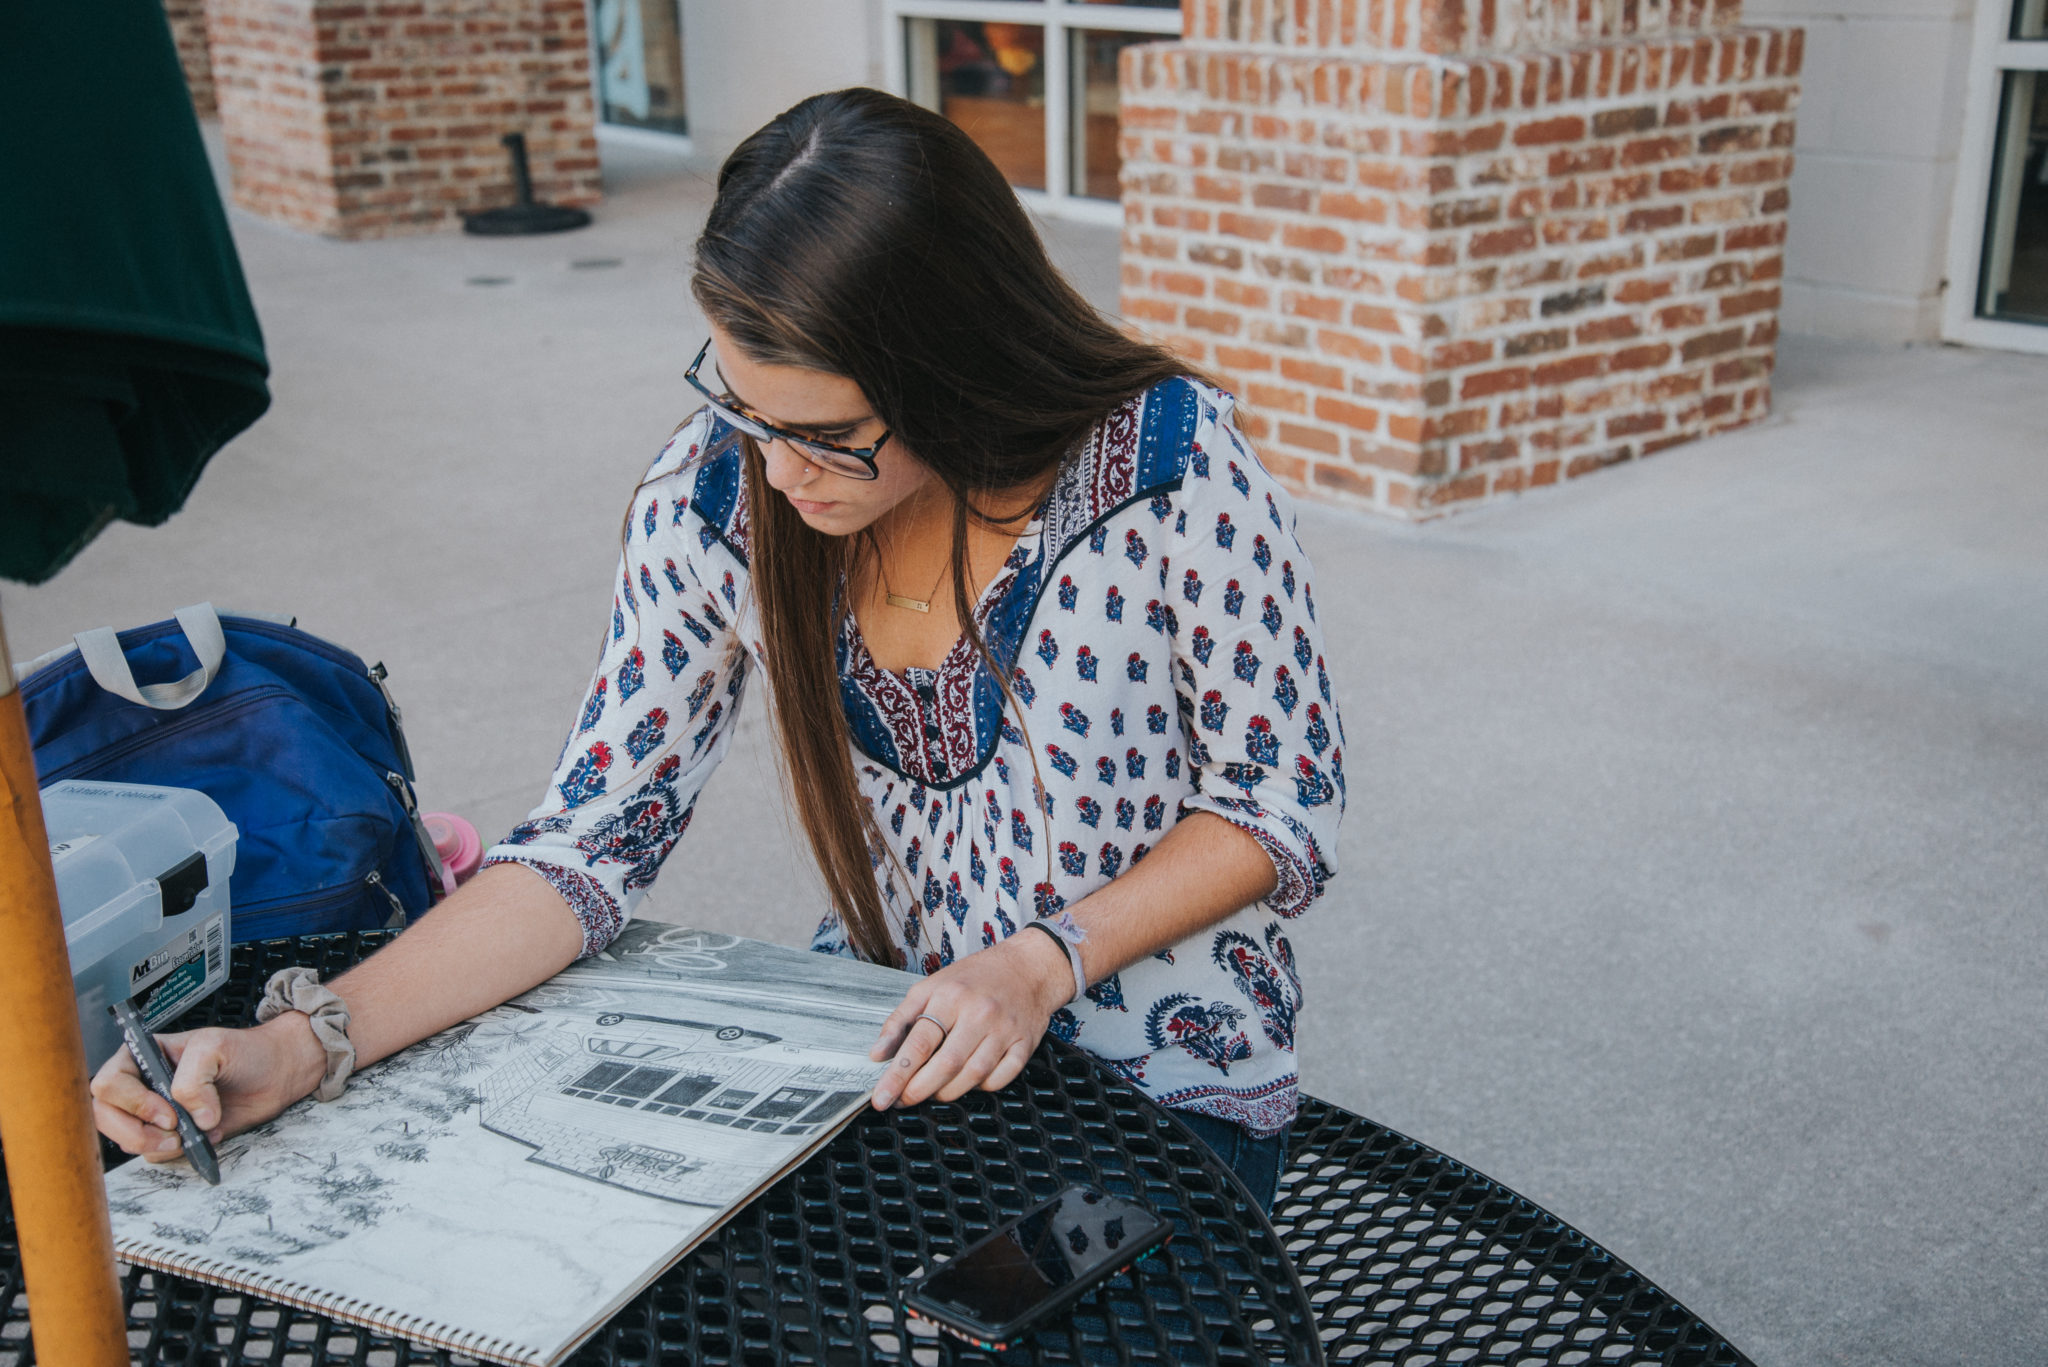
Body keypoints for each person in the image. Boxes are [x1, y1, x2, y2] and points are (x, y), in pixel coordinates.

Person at [91, 87, 1345, 1211]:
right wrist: (302, 1045)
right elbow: (588, 843)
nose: (777, 466)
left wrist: (1037, 961)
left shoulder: (1170, 464)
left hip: (1165, 1075)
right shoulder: (717, 494)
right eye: (741, 405)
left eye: (829, 430)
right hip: (875, 1037)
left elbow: (1279, 803)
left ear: (958, 365)